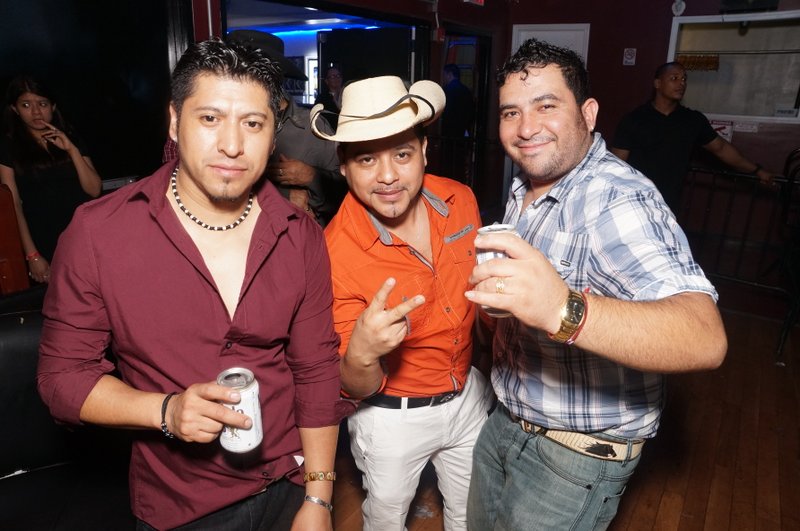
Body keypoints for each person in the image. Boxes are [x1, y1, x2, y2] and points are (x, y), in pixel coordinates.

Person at [37, 39, 351, 530]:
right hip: (182, 505)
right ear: (173, 120)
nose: (232, 144)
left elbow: (316, 372)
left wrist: (319, 497)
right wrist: (166, 410)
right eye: (210, 118)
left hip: (290, 486)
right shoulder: (99, 233)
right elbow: (62, 379)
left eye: (253, 123)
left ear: (273, 135)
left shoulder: (300, 234)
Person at [464, 39, 728, 530]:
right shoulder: (526, 185)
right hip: (504, 420)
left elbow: (704, 337)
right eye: (511, 112)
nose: (526, 128)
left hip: (571, 460)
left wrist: (560, 308)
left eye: (546, 106)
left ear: (587, 113)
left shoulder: (617, 198)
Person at [311, 76, 492, 530]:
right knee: (386, 521)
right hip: (392, 420)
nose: (388, 176)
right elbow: (354, 386)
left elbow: (480, 301)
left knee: (471, 514)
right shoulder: (333, 254)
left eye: (402, 154)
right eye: (367, 159)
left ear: (424, 151)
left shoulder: (460, 200)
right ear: (344, 166)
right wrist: (363, 352)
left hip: (468, 395)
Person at [611, 61, 776, 212]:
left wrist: (757, 171)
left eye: (684, 79)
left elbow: (721, 149)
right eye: (674, 78)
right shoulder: (635, 119)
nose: (681, 83)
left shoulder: (692, 120)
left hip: (668, 205)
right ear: (658, 84)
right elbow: (617, 164)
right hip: (633, 202)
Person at [0, 75, 102, 284]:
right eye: (26, 105)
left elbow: (94, 190)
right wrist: (32, 255)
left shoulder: (70, 136)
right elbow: (14, 205)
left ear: (53, 107)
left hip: (84, 235)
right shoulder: (9, 147)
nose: (36, 112)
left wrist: (71, 149)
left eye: (42, 104)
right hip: (44, 238)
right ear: (14, 109)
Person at [441, 64, 474, 139]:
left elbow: (446, 111)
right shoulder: (466, 90)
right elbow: (471, 111)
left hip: (449, 129)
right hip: (463, 129)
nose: (443, 78)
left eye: (444, 75)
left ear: (449, 74)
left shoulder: (447, 90)